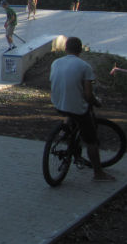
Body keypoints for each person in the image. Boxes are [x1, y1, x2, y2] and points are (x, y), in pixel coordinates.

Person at [49, 36, 115, 182]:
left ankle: (64, 131)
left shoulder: (56, 63)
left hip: (58, 104)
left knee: (70, 111)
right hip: (75, 108)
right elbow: (88, 95)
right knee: (91, 140)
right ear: (81, 50)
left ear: (65, 49)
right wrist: (97, 103)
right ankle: (98, 174)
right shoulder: (84, 66)